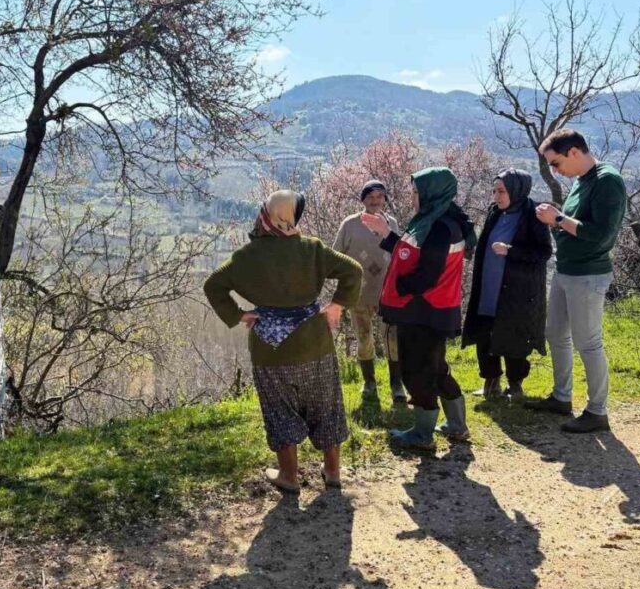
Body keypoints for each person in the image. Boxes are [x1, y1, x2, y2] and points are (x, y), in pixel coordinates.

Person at [204, 190, 362, 492]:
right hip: (316, 343)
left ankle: (289, 477)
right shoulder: (312, 249)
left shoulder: (246, 257)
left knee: (279, 409)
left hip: (270, 351)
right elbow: (352, 270)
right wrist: (337, 306)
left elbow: (213, 285)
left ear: (267, 215)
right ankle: (332, 473)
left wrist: (239, 315)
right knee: (326, 406)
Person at [360, 167, 477, 449]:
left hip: (422, 312)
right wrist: (387, 235)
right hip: (432, 311)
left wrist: (399, 287)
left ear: (430, 193)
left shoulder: (439, 227)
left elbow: (427, 274)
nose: (412, 197)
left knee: (417, 370)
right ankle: (456, 425)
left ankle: (423, 434)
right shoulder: (437, 220)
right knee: (436, 368)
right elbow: (412, 254)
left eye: (416, 192)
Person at [524, 129, 626, 433]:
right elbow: (573, 227)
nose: (555, 171)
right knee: (555, 333)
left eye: (555, 164)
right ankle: (562, 397)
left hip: (589, 274)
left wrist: (556, 219)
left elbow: (601, 235)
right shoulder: (582, 180)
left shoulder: (607, 181)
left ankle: (597, 412)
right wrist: (556, 220)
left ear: (573, 152)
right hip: (566, 270)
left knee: (588, 343)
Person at [461, 168, 552, 400]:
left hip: (517, 291)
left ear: (516, 190)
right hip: (489, 286)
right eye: (494, 191)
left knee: (514, 335)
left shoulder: (533, 215)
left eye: (501, 191)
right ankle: (491, 382)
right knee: (485, 332)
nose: (496, 196)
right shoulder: (495, 213)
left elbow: (543, 253)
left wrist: (511, 251)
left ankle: (515, 384)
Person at [332, 180, 408, 404]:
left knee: (392, 338)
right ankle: (369, 382)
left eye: (380, 197)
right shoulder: (350, 224)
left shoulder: (391, 222)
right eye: (370, 197)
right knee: (364, 338)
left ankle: (397, 383)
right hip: (360, 292)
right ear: (363, 200)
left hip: (388, 292)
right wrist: (344, 280)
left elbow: (400, 253)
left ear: (385, 199)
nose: (375, 202)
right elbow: (336, 255)